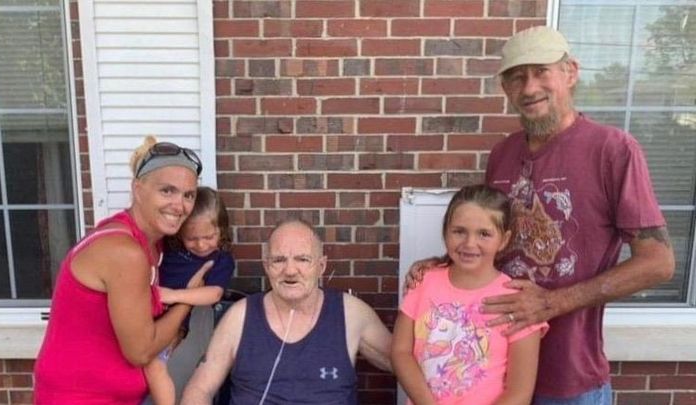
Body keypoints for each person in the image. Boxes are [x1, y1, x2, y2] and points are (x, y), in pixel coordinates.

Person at [408, 26, 675, 404]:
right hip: (493, 377)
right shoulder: (503, 154)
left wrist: (551, 302)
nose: (530, 87)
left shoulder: (613, 149)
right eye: (517, 77)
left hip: (568, 380)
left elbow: (658, 263)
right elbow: (492, 238)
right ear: (505, 88)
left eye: (541, 72)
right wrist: (444, 263)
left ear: (571, 72)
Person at [34, 136, 210, 404]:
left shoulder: (153, 244)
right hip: (80, 397)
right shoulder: (123, 251)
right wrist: (189, 299)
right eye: (167, 191)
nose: (179, 205)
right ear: (138, 189)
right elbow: (140, 351)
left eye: (188, 195)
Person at [180, 218, 393, 405]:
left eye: (303, 259)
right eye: (279, 260)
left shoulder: (351, 313)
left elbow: (404, 363)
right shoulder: (240, 316)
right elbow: (199, 388)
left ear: (321, 266)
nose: (290, 271)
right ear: (266, 266)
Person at [393, 185, 547, 405]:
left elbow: (519, 392)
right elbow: (401, 352)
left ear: (504, 240)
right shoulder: (423, 281)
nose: (469, 243)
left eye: (484, 234)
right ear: (445, 231)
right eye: (459, 231)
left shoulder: (517, 301)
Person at [145, 187, 235, 405]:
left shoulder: (220, 260)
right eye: (192, 238)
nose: (201, 245)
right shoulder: (168, 249)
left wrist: (174, 295)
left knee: (156, 366)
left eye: (209, 237)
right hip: (146, 317)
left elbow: (213, 293)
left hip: (176, 325)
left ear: (222, 230)